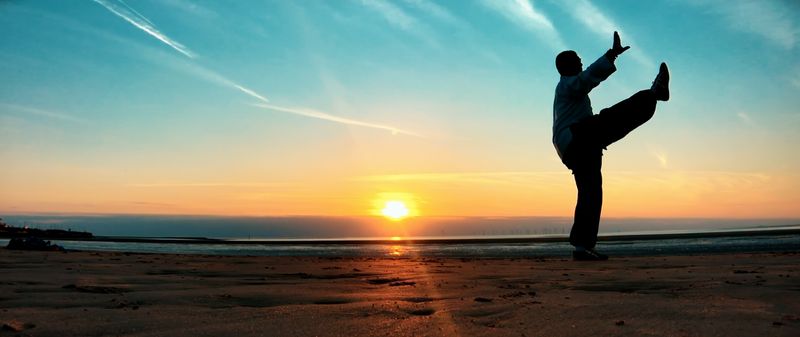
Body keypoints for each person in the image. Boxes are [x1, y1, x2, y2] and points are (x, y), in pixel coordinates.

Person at [553, 31, 670, 261]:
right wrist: (612, 55)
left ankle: (582, 247)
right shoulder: (567, 85)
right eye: (577, 59)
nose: (581, 61)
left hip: (577, 145)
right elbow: (586, 79)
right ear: (567, 65)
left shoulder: (569, 89)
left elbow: (585, 79)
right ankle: (653, 94)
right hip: (577, 139)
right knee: (611, 118)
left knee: (591, 191)